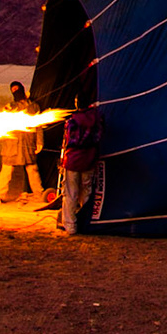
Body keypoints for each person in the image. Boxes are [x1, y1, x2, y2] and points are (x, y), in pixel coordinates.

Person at [58, 95, 104, 236]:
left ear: (77, 104)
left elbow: (69, 141)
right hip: (89, 158)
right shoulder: (96, 119)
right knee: (87, 192)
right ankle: (86, 223)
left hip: (73, 160)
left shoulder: (72, 122)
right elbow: (99, 137)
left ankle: (70, 226)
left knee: (71, 193)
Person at [0, 81, 43, 203]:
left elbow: (39, 126)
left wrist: (40, 142)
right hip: (12, 145)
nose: (15, 91)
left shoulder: (34, 107)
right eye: (13, 90)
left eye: (17, 89)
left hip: (28, 143)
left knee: (32, 169)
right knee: (6, 171)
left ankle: (39, 193)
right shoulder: (10, 107)